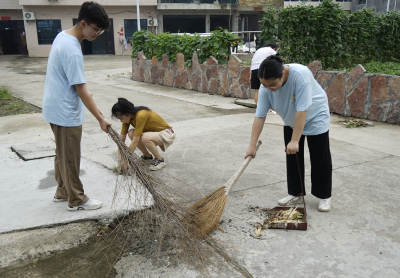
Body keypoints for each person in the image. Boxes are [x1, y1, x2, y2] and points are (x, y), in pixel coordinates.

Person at [42, 2, 111, 211]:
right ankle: (77, 200)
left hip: (55, 106)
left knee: (62, 154)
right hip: (64, 111)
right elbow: (81, 90)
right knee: (70, 156)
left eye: (100, 30)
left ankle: (62, 191)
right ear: (83, 23)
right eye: (96, 29)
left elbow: (75, 84)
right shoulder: (72, 49)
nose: (97, 34)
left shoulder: (62, 36)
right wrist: (100, 118)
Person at [245, 55, 332, 212]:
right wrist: (252, 145)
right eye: (264, 85)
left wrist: (295, 140)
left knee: (320, 157)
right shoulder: (266, 87)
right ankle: (296, 193)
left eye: (272, 84)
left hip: (315, 115)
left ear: (282, 75)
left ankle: (324, 196)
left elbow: (302, 110)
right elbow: (260, 116)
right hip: (291, 117)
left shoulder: (300, 74)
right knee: (292, 156)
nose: (268, 88)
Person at [111, 98, 176, 171]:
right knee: (131, 133)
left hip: (167, 133)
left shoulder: (141, 115)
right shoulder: (127, 119)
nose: (121, 121)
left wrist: (126, 160)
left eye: (121, 118)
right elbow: (121, 141)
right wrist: (120, 161)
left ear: (127, 113)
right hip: (153, 134)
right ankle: (147, 156)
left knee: (143, 137)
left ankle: (160, 159)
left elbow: (135, 141)